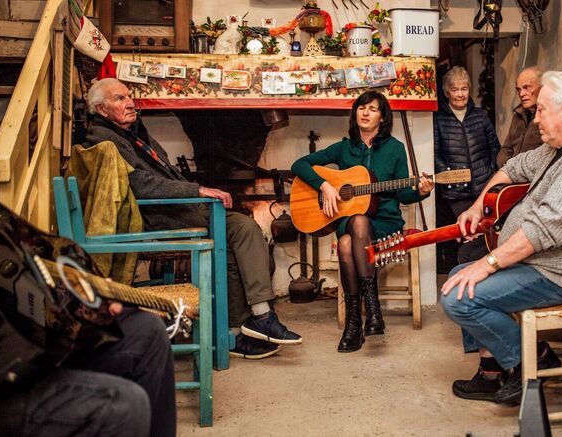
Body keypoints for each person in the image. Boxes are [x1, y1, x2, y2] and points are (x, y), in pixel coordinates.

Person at [441, 71, 562, 406]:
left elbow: (546, 229)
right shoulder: (557, 148)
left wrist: (488, 264)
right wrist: (477, 206)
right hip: (538, 263)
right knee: (459, 275)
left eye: (542, 110)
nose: (536, 118)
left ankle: (533, 358)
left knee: (459, 296)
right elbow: (513, 167)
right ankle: (491, 371)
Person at [84, 78, 300, 360]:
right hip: (157, 214)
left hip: (175, 208)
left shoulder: (132, 133)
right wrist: (197, 189)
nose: (130, 103)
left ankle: (240, 329)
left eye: (129, 96)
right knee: (240, 230)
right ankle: (252, 322)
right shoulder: (103, 139)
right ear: (101, 109)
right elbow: (141, 185)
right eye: (120, 99)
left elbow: (160, 174)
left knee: (240, 234)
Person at [0, 158, 176, 437]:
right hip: (2, 383)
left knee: (146, 332)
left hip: (19, 353)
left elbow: (15, 291)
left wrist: (82, 305)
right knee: (122, 405)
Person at [291, 90, 433, 352]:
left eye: (373, 109)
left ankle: (354, 324)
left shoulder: (395, 149)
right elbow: (299, 165)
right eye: (361, 108)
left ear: (382, 117)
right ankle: (372, 310)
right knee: (356, 221)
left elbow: (403, 193)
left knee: (346, 242)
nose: (365, 113)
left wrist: (421, 191)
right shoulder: (344, 148)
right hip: (351, 220)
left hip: (385, 223)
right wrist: (324, 186)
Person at [433, 66, 500, 272]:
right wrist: (450, 176)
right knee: (464, 234)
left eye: (464, 89)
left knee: (481, 233)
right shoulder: (438, 118)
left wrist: (489, 172)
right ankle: (460, 275)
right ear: (446, 92)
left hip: (482, 187)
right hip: (455, 192)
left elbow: (495, 147)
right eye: (455, 89)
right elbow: (434, 153)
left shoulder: (480, 116)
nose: (460, 94)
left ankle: (478, 275)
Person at [497, 66, 544, 167]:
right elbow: (505, 149)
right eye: (518, 89)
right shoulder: (518, 115)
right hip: (511, 175)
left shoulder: (549, 116)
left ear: (541, 87)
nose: (521, 93)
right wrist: (509, 167)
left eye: (526, 87)